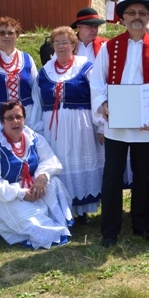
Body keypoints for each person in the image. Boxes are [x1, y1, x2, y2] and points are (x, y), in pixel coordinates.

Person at [91, 0, 149, 247]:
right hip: (116, 122)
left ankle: (141, 225)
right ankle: (109, 230)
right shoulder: (109, 47)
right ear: (123, 18)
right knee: (112, 175)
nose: (137, 17)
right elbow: (97, 80)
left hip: (145, 124)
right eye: (131, 13)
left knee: (142, 175)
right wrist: (103, 104)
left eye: (142, 13)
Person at [0, 100, 73, 249]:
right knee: (36, 225)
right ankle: (46, 228)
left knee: (54, 182)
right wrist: (21, 193)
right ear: (2, 122)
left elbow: (49, 159)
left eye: (19, 117)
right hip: (5, 195)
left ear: (24, 118)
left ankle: (59, 221)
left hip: (30, 188)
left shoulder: (31, 137)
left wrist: (42, 177)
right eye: (10, 118)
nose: (15, 121)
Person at [37, 26, 104, 223]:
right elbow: (38, 100)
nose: (61, 46)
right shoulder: (45, 71)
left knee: (79, 161)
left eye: (65, 42)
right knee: (59, 164)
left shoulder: (85, 66)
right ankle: (62, 208)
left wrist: (101, 125)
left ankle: (82, 211)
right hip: (53, 128)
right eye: (56, 43)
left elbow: (98, 97)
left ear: (73, 45)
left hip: (80, 126)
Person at [0, 16, 42, 136]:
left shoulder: (27, 59)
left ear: (17, 36)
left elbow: (36, 93)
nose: (6, 36)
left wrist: (36, 120)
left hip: (24, 118)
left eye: (11, 33)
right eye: (2, 33)